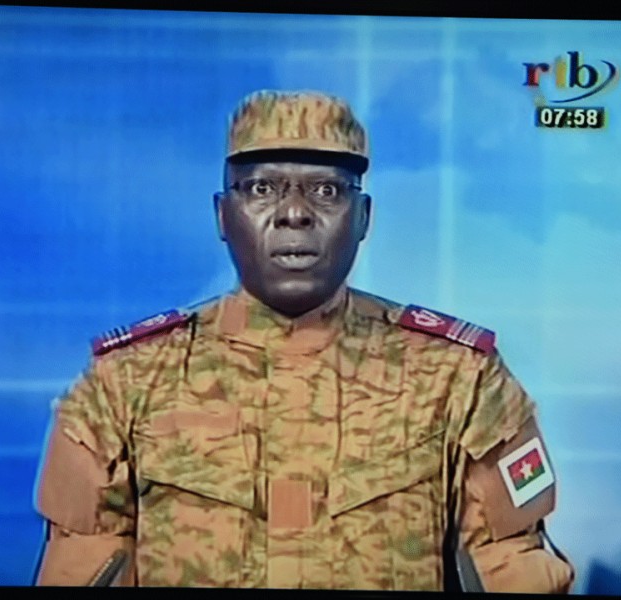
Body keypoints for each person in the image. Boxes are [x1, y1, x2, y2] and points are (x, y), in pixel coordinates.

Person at [32, 90, 575, 592]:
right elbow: (81, 567)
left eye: (326, 190)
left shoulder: (460, 379)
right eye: (262, 188)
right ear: (222, 215)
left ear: (363, 218)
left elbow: (511, 567)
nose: (294, 213)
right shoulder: (126, 382)